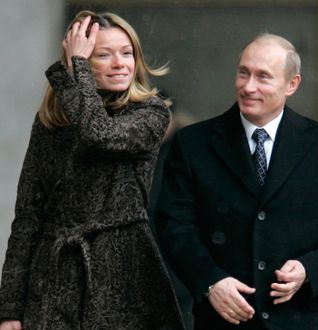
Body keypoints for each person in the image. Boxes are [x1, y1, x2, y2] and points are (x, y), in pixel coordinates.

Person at [0, 10, 184, 330]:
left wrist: (77, 71)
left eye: (127, 53)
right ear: (77, 59)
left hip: (124, 280)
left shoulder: (151, 113)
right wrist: (9, 310)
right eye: (103, 55)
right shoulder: (50, 123)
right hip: (53, 282)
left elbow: (99, 135)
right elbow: (28, 216)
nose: (120, 63)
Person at [156, 33, 318, 329]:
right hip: (224, 318)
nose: (249, 87)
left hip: (304, 317)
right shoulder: (193, 144)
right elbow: (173, 225)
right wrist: (210, 280)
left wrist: (311, 269)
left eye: (263, 77)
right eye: (243, 73)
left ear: (292, 84)